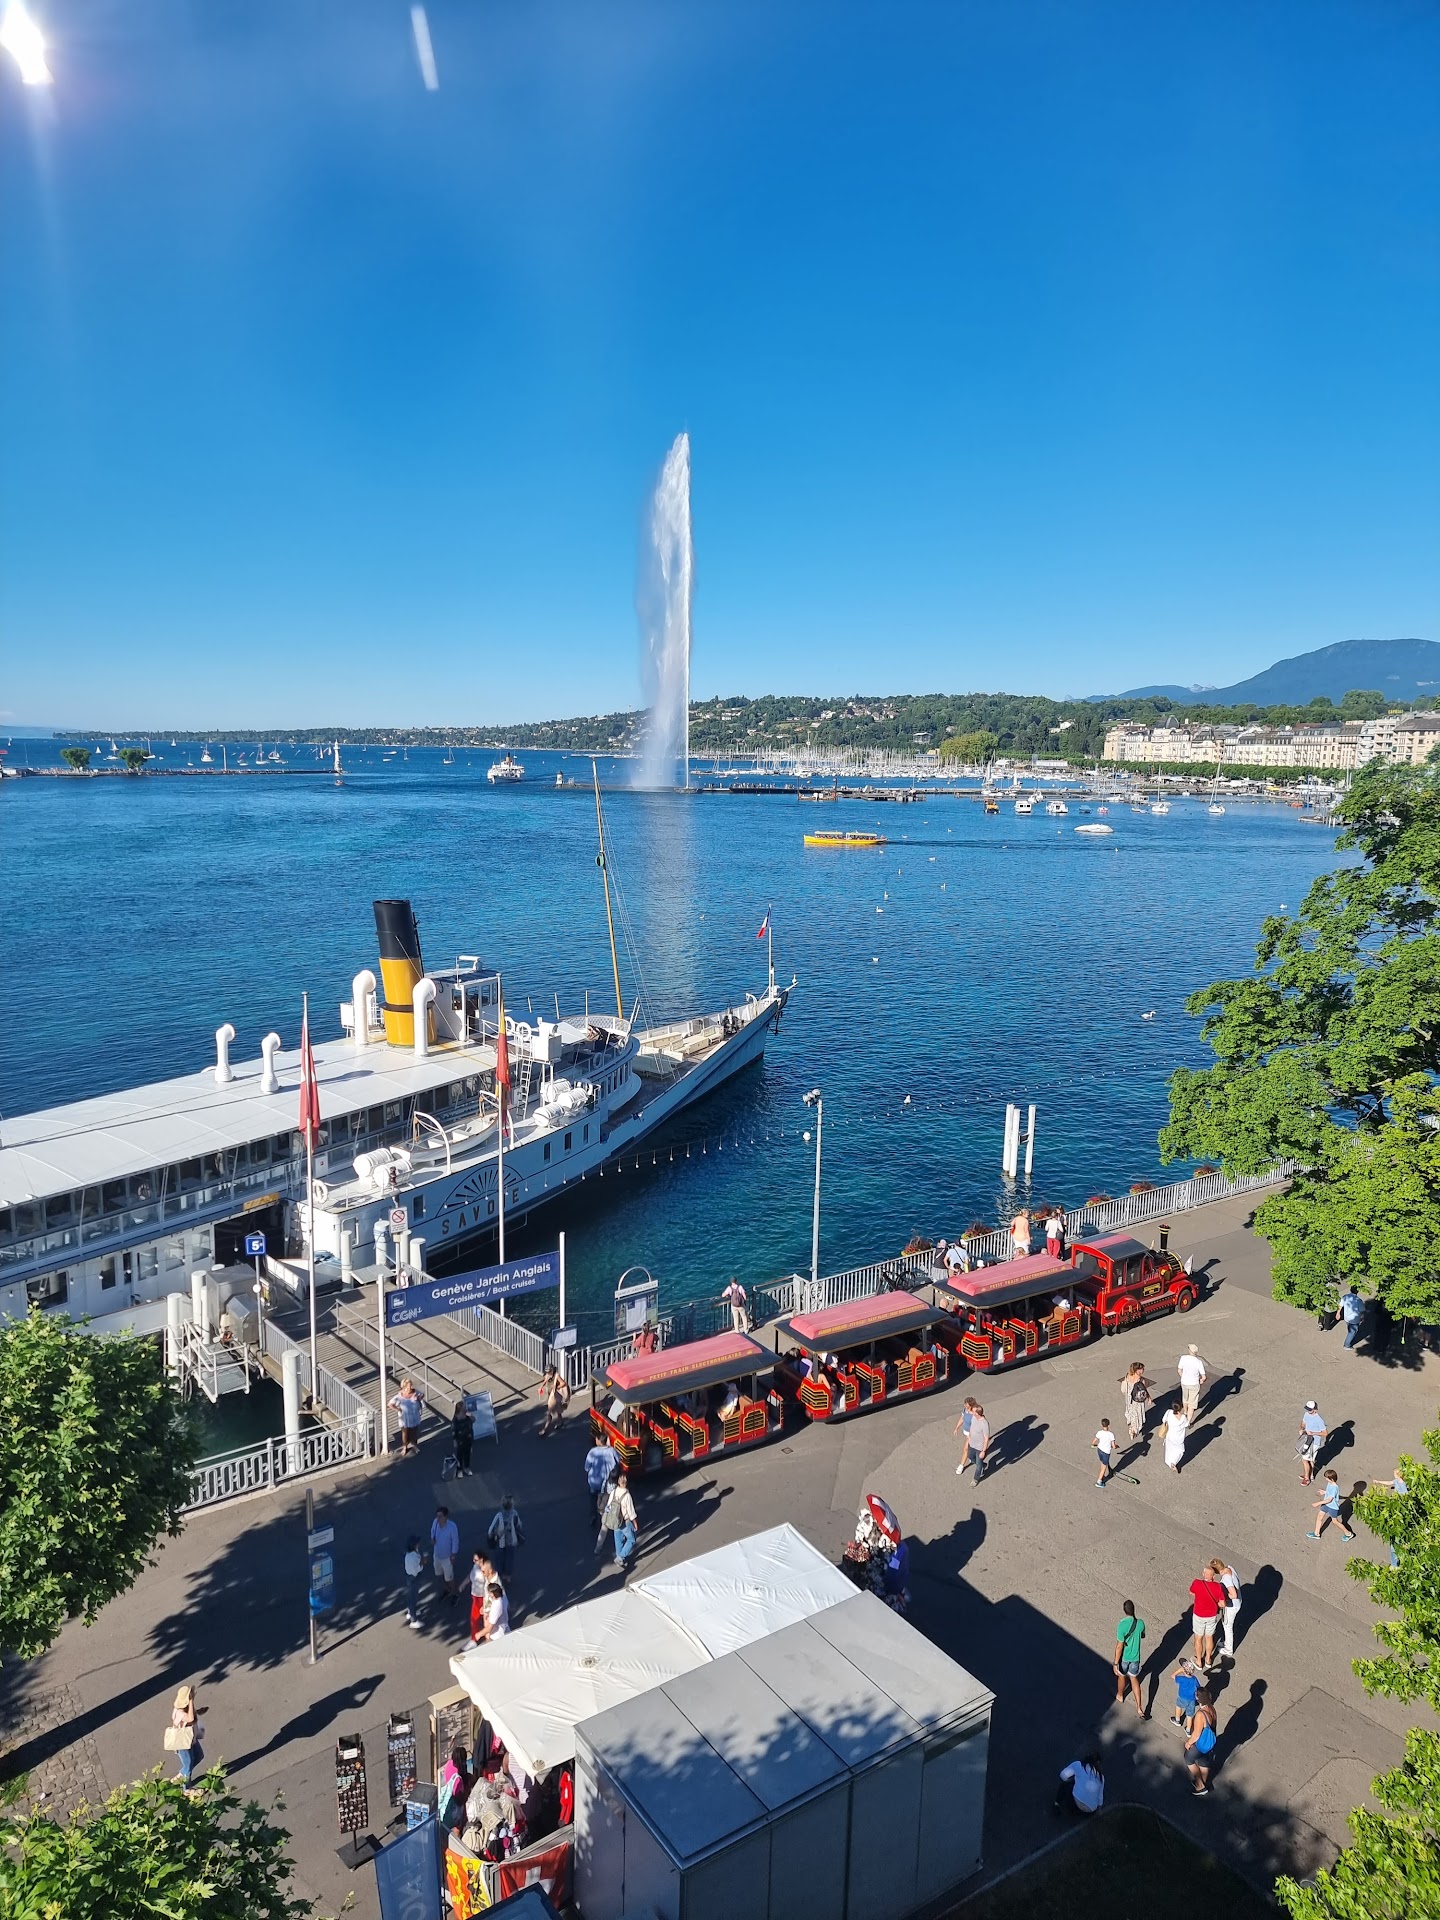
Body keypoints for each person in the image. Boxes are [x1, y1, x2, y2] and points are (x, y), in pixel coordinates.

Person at [1112, 1600, 1146, 1717]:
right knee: (1134, 1679)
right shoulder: (1140, 1623)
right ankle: (1139, 1708)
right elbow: (1143, 1635)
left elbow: (1119, 1646)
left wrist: (1115, 1663)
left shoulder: (1122, 1625)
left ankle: (1120, 1695)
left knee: (1122, 1676)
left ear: (1124, 1610)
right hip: (1136, 1658)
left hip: (1125, 1658)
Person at [1189, 1564, 1227, 1668]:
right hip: (1211, 1616)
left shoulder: (1197, 1583)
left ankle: (1199, 1661)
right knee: (1209, 1637)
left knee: (1198, 1638)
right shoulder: (1218, 1587)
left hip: (1199, 1615)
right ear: (1213, 1576)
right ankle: (1208, 1660)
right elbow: (1222, 1604)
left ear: (1203, 1574)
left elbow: (1191, 1592)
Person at [167, 1684, 203, 1788]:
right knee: (188, 1764)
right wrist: (191, 1701)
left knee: (199, 1756)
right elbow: (190, 1719)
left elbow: (192, 1716)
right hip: (182, 1743)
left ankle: (182, 1774)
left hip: (190, 1739)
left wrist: (198, 1711)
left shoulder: (185, 1708)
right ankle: (186, 1788)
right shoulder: (179, 1712)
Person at [1373, 1465, 1409, 1567]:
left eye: (1394, 1474)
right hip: (1395, 1505)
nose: (1393, 1475)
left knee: (1394, 1547)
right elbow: (1389, 1483)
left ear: (1399, 1475)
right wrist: (1378, 1481)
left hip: (1399, 1506)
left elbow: (1406, 1495)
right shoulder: (1397, 1481)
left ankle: (1395, 1565)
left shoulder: (1402, 1484)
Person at [1308, 1469, 1356, 1543]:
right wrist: (1324, 1492)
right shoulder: (1330, 1483)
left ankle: (1348, 1534)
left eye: (1327, 1478)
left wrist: (1317, 1503)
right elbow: (1330, 1493)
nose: (1326, 1479)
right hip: (1326, 1504)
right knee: (1319, 1516)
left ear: (1332, 1479)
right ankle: (1316, 1534)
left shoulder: (1335, 1487)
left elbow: (1329, 1500)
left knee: (1335, 1521)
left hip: (1332, 1507)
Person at [1185, 1688, 1217, 1795]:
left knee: (1188, 1758)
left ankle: (1200, 1785)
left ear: (1198, 1699)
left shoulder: (1200, 1714)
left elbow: (1197, 1734)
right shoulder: (1211, 1708)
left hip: (1201, 1744)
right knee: (1204, 1762)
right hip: (1210, 1743)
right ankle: (1204, 1782)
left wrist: (1189, 1743)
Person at [487, 1495, 525, 1578]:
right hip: (511, 1541)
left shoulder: (499, 1515)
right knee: (509, 1558)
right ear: (512, 1505)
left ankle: (500, 1574)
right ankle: (508, 1576)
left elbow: (491, 1529)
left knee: (499, 1558)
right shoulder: (514, 1514)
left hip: (500, 1541)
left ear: (502, 1505)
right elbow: (519, 1525)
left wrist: (492, 1535)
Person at [1210, 1558, 1241, 1658]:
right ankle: (1227, 1643)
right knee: (1225, 1624)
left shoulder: (1226, 1579)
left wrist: (1223, 1597)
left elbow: (1233, 1594)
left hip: (1232, 1606)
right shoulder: (1229, 1568)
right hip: (1237, 1603)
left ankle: (1228, 1649)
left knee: (1227, 1626)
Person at [607, 1473, 638, 1569]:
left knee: (618, 1539)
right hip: (624, 1521)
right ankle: (620, 1557)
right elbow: (631, 1511)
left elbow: (608, 1505)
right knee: (632, 1539)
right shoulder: (627, 1495)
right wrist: (635, 1523)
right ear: (626, 1483)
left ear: (618, 1482)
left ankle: (619, 1556)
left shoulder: (614, 1492)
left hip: (615, 1520)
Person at [431, 1505, 460, 1603]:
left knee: (449, 1578)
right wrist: (432, 1538)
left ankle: (454, 1594)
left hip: (447, 1557)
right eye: (437, 1516)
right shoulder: (435, 1522)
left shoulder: (452, 1527)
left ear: (446, 1516)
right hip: (437, 1556)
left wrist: (453, 1555)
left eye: (440, 1516)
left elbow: (455, 1541)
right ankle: (447, 1590)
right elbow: (432, 1531)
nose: (438, 1518)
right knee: (439, 1575)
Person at [439, 1745, 471, 1833]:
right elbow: (458, 1797)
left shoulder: (449, 1763)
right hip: (453, 1806)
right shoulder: (458, 1778)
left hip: (446, 1800)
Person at [1121, 1362, 1154, 1447]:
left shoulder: (1127, 1377)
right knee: (1138, 1415)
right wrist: (1149, 1398)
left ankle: (1131, 1428)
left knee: (1131, 1414)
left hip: (1129, 1399)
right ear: (1137, 1370)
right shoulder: (1141, 1380)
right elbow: (1144, 1390)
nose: (1143, 1370)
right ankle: (1134, 1430)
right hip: (1138, 1400)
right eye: (1142, 1369)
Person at [389, 1378, 423, 1456]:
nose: (411, 1387)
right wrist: (398, 1409)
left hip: (414, 1415)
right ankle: (405, 1447)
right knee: (405, 1433)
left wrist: (418, 1398)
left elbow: (422, 1395)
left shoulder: (415, 1392)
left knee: (414, 1432)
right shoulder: (399, 1396)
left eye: (411, 1385)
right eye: (409, 1386)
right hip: (404, 1418)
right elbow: (390, 1404)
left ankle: (414, 1445)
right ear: (404, 1387)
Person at [1297, 1401, 1328, 1485]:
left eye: (1310, 1410)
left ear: (1315, 1409)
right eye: (1307, 1409)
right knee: (1310, 1460)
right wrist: (1302, 1429)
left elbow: (1325, 1433)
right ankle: (1310, 1475)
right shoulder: (1306, 1414)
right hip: (1307, 1440)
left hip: (1314, 1442)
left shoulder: (1319, 1420)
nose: (1308, 1411)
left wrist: (1313, 1433)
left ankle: (1307, 1478)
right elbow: (1303, 1423)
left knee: (1304, 1459)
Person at [1169, 1657, 1201, 1733]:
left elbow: (1172, 1676)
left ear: (1184, 1671)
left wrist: (1179, 1670)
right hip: (1192, 1699)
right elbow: (1198, 1687)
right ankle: (1188, 1730)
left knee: (1178, 1706)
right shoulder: (1194, 1679)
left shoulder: (1182, 1679)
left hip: (1182, 1697)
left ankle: (1177, 1720)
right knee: (1190, 1715)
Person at [1177, 1345, 1207, 1419]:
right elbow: (1204, 1377)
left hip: (1184, 1382)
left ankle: (1185, 1412)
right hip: (1194, 1384)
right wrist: (1201, 1380)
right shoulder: (1199, 1362)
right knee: (1192, 1404)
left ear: (1189, 1351)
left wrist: (1183, 1377)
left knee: (1185, 1398)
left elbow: (1179, 1370)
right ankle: (1188, 1421)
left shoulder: (1183, 1358)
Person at [963, 1404, 991, 1482]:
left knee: (978, 1465)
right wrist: (969, 1436)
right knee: (970, 1457)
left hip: (979, 1448)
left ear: (977, 1413)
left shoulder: (984, 1424)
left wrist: (983, 1451)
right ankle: (982, 1465)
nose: (972, 1412)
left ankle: (975, 1479)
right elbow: (972, 1427)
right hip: (971, 1444)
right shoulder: (974, 1418)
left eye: (973, 1411)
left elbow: (986, 1439)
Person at [538, 1368, 570, 1436]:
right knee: (557, 1411)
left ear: (552, 1371)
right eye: (547, 1372)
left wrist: (556, 1387)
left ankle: (545, 1429)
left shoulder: (556, 1376)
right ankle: (561, 1423)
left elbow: (563, 1383)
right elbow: (545, 1379)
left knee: (549, 1412)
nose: (547, 1373)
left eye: (549, 1372)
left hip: (556, 1396)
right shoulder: (548, 1375)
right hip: (552, 1395)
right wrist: (541, 1387)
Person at [1160, 1399, 1188, 1473]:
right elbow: (1186, 1424)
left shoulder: (1169, 1412)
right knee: (1180, 1451)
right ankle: (1174, 1462)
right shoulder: (1183, 1417)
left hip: (1170, 1435)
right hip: (1179, 1438)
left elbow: (1163, 1420)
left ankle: (1169, 1461)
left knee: (1169, 1449)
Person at [468, 1551, 490, 1644]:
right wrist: (463, 1584)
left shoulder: (485, 1569)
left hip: (483, 1598)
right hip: (475, 1596)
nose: (473, 1561)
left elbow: (489, 1585)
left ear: (481, 1560)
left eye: (476, 1560)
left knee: (487, 1620)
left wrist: (486, 1602)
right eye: (473, 1559)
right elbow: (471, 1576)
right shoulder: (475, 1567)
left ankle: (488, 1638)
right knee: (474, 1619)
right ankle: (474, 1639)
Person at [403, 1535, 424, 1629]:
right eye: (417, 1543)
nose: (419, 1543)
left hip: (409, 1577)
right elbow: (416, 1570)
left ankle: (410, 1612)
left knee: (411, 1596)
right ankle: (413, 1620)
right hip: (414, 1578)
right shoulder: (414, 1557)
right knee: (413, 1598)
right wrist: (422, 1564)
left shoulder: (409, 1554)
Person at [953, 1395, 977, 1472]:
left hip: (971, 1434)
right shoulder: (965, 1410)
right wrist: (956, 1428)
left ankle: (961, 1466)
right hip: (966, 1433)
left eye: (967, 1406)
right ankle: (972, 1455)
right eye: (965, 1405)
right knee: (971, 1446)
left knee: (965, 1449)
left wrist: (971, 1434)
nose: (966, 1407)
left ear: (971, 1406)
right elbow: (962, 1418)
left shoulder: (975, 1414)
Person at [451, 1398, 475, 1476]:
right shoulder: (456, 1419)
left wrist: (471, 1415)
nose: (465, 1409)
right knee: (460, 1455)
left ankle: (467, 1468)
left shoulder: (467, 1416)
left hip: (468, 1437)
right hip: (460, 1440)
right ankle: (459, 1470)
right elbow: (453, 1430)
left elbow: (474, 1420)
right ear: (460, 1409)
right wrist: (454, 1441)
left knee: (467, 1454)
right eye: (464, 1407)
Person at [1339, 1285, 1366, 1349]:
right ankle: (1347, 1345)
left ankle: (1350, 1339)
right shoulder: (1358, 1300)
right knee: (1352, 1332)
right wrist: (1362, 1318)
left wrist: (1338, 1313)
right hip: (1355, 1319)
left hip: (1347, 1317)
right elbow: (1362, 1310)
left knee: (1349, 1329)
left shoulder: (1345, 1297)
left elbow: (1340, 1305)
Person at [1094, 1418, 1116, 1487]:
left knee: (1102, 1463)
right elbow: (1114, 1446)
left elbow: (1093, 1442)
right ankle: (1099, 1482)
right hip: (1106, 1452)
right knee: (1104, 1466)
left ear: (1101, 1425)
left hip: (1099, 1450)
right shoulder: (1111, 1434)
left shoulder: (1099, 1432)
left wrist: (1097, 1445)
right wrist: (1116, 1446)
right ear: (1109, 1425)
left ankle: (1102, 1475)